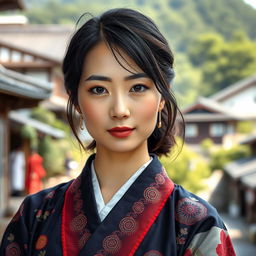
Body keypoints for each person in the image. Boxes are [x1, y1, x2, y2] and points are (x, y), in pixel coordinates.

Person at [0, 8, 236, 255]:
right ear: (77, 100)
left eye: (137, 87)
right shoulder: (34, 216)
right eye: (99, 90)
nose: (120, 110)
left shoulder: (197, 225)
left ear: (162, 96)